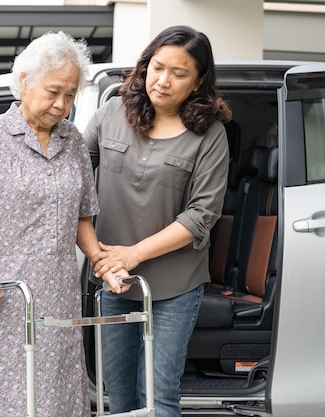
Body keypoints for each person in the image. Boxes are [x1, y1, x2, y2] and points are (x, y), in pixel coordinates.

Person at [0, 31, 114, 417]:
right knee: (1, 399)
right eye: (54, 91)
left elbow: (81, 217)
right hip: (1, 297)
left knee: (53, 397)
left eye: (70, 95)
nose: (62, 104)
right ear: (24, 81)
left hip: (57, 297)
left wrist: (102, 261)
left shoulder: (73, 141)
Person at [83, 25, 231, 417]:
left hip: (175, 285)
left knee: (158, 396)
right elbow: (72, 184)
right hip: (113, 278)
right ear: (145, 66)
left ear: (198, 80)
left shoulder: (210, 135)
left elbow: (201, 215)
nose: (163, 81)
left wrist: (132, 254)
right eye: (157, 67)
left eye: (178, 73)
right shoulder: (111, 112)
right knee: (119, 398)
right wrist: (102, 256)